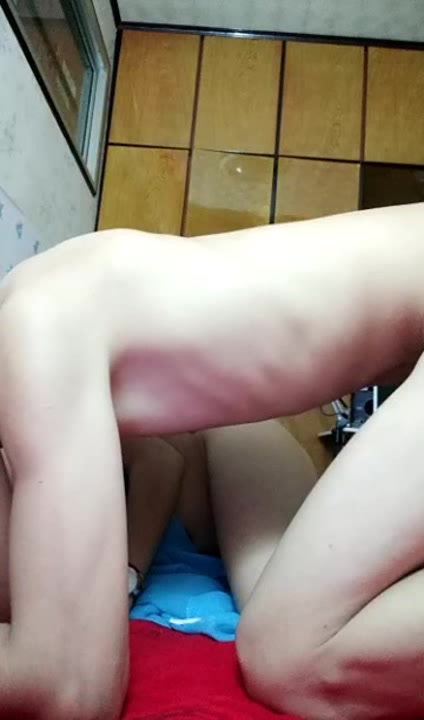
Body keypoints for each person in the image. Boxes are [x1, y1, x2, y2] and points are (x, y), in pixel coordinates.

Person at [0, 202, 424, 720]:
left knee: (292, 654)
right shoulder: (41, 307)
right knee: (286, 603)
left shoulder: (33, 331)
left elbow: (70, 689)